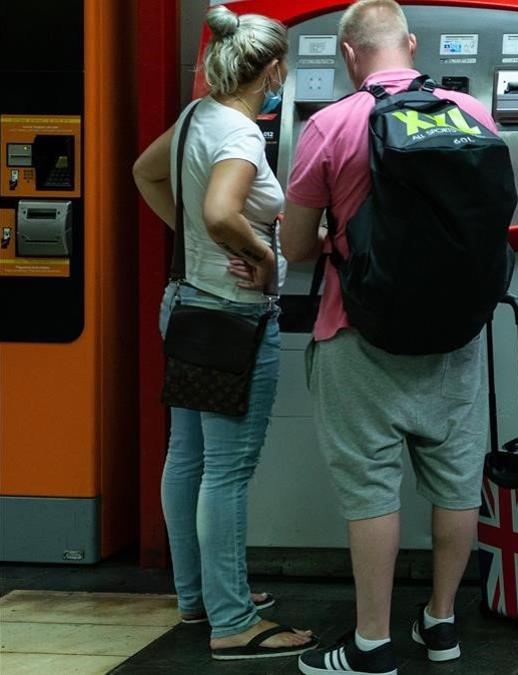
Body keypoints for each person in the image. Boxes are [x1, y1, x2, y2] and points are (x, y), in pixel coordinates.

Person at [281, 1, 499, 673]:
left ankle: (371, 641)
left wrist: (329, 238)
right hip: (454, 333)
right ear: (410, 43)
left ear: (349, 54)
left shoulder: (330, 124)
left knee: (373, 490)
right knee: (456, 481)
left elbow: (295, 246)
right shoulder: (475, 114)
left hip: (358, 331)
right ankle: (440, 623)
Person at [132, 5, 315, 661]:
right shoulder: (240, 134)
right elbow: (219, 210)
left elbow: (144, 173)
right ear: (270, 68)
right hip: (231, 317)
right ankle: (234, 620)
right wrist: (262, 259)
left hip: (183, 302)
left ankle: (198, 595)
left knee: (188, 457)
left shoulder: (194, 118)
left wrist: (196, 237)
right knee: (228, 473)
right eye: (283, 65)